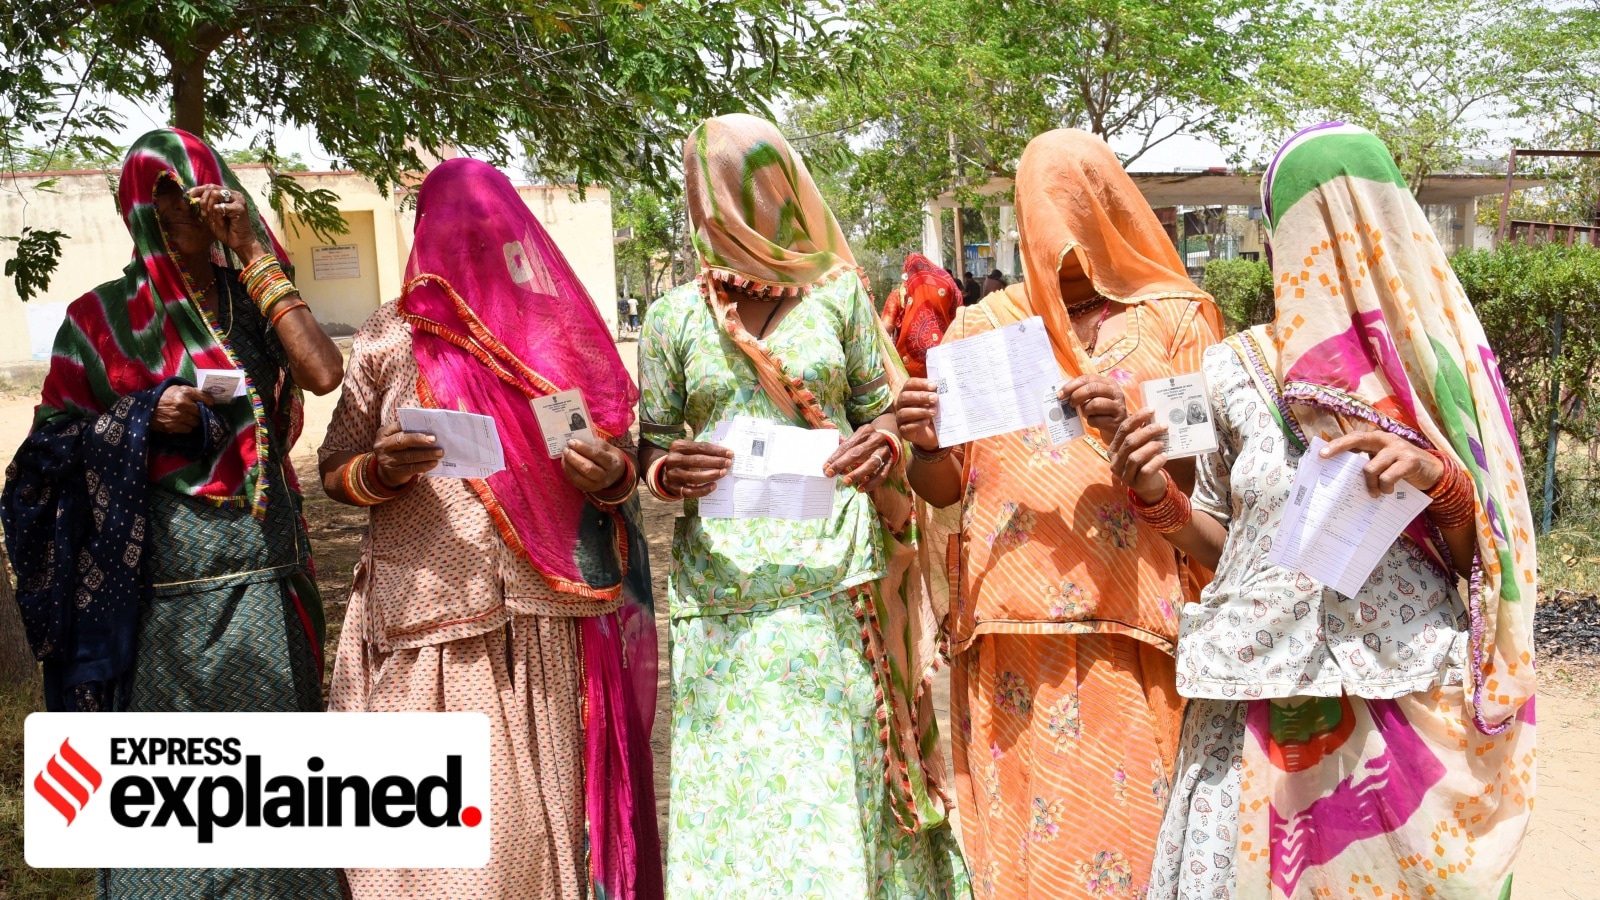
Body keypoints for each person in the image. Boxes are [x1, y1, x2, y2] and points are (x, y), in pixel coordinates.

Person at [1113, 123, 1536, 898]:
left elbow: (1497, 549)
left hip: (1398, 697)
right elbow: (1223, 541)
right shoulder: (1230, 369)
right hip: (1256, 698)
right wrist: (1156, 500)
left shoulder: (1436, 371)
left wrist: (1440, 481)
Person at [1, 128, 344, 897]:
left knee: (278, 803)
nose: (186, 227)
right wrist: (140, 418)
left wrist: (252, 248)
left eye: (200, 207)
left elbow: (322, 372)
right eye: (168, 213)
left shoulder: (252, 301)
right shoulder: (102, 321)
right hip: (161, 604)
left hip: (266, 583)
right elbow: (40, 461)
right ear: (139, 216)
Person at [637, 113, 969, 898]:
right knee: (739, 799)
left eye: (758, 185)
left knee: (834, 785)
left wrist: (882, 439)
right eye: (722, 191)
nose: (741, 208)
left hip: (835, 589)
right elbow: (648, 443)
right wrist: (664, 472)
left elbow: (884, 408)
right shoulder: (674, 318)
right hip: (723, 598)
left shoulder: (838, 298)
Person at [894, 128, 1222, 899]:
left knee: (1132, 855)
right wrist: (929, 445)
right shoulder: (983, 327)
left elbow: (1208, 474)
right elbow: (945, 488)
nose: (1064, 240)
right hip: (1008, 635)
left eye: (1079, 214)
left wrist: (1128, 423)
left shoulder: (1175, 316)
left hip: (1135, 628)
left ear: (1112, 210)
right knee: (1020, 864)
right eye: (1047, 218)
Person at [320, 159, 660, 899]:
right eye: (450, 230)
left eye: (482, 230)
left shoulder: (546, 339)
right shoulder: (390, 336)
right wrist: (382, 471)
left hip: (540, 620)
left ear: (513, 235)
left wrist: (606, 476)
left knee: (535, 837)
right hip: (425, 622)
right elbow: (335, 466)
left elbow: (592, 460)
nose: (465, 247)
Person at [886, 253, 961, 378]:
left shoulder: (898, 295)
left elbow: (885, 329)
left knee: (915, 395)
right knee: (940, 394)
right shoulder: (946, 288)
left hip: (908, 371)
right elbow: (958, 322)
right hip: (944, 360)